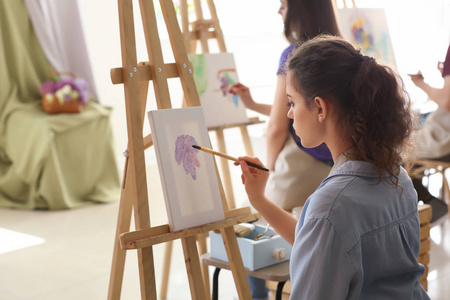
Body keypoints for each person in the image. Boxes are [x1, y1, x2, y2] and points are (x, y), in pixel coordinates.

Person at [236, 35, 430, 299]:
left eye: (291, 103)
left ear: (319, 108)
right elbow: (322, 241)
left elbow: (325, 231)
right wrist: (259, 199)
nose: (289, 113)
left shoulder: (332, 206)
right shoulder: (397, 177)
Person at [229, 0, 341, 213]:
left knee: (248, 218)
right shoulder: (344, 51)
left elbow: (277, 126)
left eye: (283, 5)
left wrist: (268, 171)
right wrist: (252, 105)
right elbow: (308, 110)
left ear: (301, 10)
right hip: (338, 167)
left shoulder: (295, 54)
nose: (279, 10)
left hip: (300, 170)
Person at [408, 45, 450, 225]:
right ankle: (430, 201)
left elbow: (447, 101)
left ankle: (430, 203)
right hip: (443, 138)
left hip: (443, 141)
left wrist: (420, 83)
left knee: (388, 151)